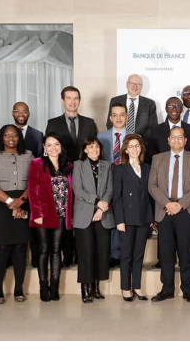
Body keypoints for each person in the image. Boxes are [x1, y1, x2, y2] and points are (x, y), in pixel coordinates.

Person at [148, 126, 190, 303]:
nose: (177, 140)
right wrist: (167, 204)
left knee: (187, 252)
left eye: (180, 137)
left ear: (185, 140)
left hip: (187, 211)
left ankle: (187, 289)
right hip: (165, 211)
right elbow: (152, 186)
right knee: (165, 253)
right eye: (174, 137)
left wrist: (180, 205)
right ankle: (167, 289)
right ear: (168, 140)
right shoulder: (158, 159)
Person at [46, 86, 97, 267]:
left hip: (85, 175)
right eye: (69, 98)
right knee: (65, 214)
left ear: (79, 101)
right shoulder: (53, 123)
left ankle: (82, 253)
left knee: (82, 213)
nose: (72, 102)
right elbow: (49, 150)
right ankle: (67, 255)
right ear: (62, 100)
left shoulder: (89, 123)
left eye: (76, 98)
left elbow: (93, 149)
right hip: (63, 176)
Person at [0, 125, 32, 305]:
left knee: (20, 248)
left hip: (23, 201)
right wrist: (11, 203)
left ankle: (19, 289)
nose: (11, 138)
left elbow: (35, 181)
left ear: (19, 137)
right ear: (1, 137)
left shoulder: (28, 155)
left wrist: (22, 200)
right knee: (2, 248)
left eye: (14, 134)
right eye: (6, 135)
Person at [28, 132, 73, 302]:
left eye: (56, 144)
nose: (53, 148)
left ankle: (54, 286)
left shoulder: (68, 165)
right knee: (43, 250)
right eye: (49, 144)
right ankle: (42, 286)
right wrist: (37, 213)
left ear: (61, 147)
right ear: (44, 148)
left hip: (61, 214)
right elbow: (33, 189)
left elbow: (71, 192)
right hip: (43, 215)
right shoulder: (37, 163)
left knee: (56, 250)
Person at [72, 136, 114, 303]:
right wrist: (97, 204)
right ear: (85, 150)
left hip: (103, 216)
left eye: (97, 146)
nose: (94, 150)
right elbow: (78, 190)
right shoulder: (78, 165)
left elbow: (110, 189)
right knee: (85, 253)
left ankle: (96, 287)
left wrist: (101, 208)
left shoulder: (107, 166)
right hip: (84, 216)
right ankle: (85, 288)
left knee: (101, 252)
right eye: (91, 147)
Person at [113, 134, 154, 302]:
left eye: (137, 146)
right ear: (125, 150)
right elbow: (117, 197)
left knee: (139, 255)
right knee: (126, 255)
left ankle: (136, 286)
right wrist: (119, 220)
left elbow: (149, 196)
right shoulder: (119, 169)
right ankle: (125, 288)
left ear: (141, 148)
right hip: (127, 219)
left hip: (143, 218)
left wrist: (151, 219)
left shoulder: (147, 168)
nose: (135, 149)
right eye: (131, 146)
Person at [12, 102, 43, 268]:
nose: (21, 114)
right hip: (10, 189)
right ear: (12, 113)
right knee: (15, 227)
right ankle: (14, 260)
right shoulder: (6, 132)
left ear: (29, 114)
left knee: (34, 225)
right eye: (17, 111)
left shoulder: (38, 135)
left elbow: (39, 162)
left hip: (31, 187)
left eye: (24, 111)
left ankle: (36, 259)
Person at [97, 102, 127, 267]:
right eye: (114, 115)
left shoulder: (134, 137)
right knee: (108, 217)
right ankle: (109, 253)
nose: (118, 118)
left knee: (121, 216)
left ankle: (119, 253)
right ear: (110, 118)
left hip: (126, 183)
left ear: (126, 117)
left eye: (121, 114)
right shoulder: (100, 137)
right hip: (105, 183)